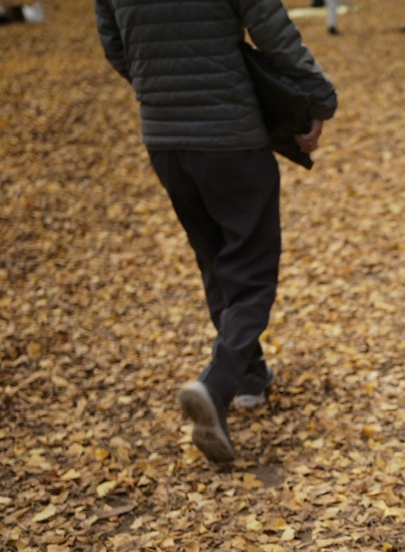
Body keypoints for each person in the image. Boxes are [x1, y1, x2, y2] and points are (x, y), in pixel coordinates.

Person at [95, 0, 337, 464]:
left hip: (165, 141)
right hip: (231, 139)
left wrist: (163, 91)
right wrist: (320, 98)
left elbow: (115, 46)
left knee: (214, 258)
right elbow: (273, 30)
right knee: (251, 271)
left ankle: (250, 375)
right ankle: (216, 384)